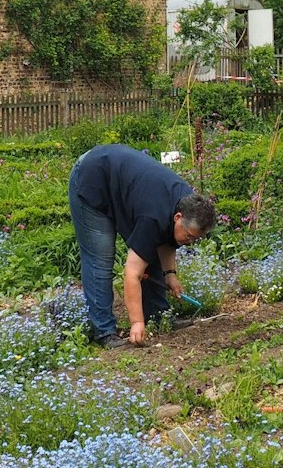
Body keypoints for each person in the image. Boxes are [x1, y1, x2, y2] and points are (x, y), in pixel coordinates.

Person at [69, 143, 219, 348]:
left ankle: (158, 317)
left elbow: (166, 238)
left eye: (195, 239)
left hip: (122, 178)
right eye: (189, 236)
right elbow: (132, 273)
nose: (190, 242)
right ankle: (104, 332)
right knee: (101, 258)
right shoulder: (154, 216)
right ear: (178, 217)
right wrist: (137, 323)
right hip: (93, 177)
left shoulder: (188, 202)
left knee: (150, 250)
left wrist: (170, 274)